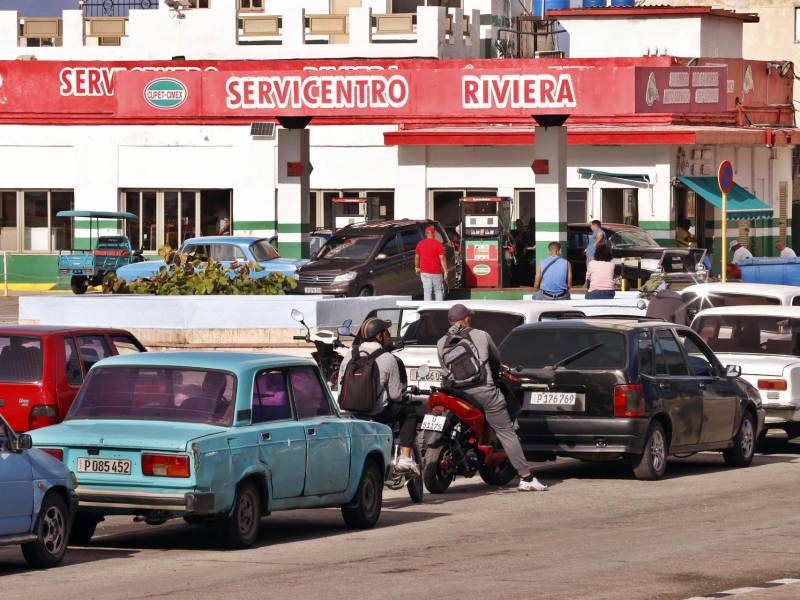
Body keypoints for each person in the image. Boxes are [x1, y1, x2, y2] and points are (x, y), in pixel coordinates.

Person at [436, 304, 548, 492]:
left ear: (449, 321)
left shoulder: (441, 342)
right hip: (484, 392)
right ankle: (526, 478)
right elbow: (496, 358)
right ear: (467, 319)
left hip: (456, 393)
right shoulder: (481, 335)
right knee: (506, 432)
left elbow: (445, 369)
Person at [338, 317, 419, 473]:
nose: (388, 335)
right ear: (379, 336)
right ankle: (405, 459)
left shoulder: (349, 355)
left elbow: (341, 386)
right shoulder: (388, 358)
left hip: (350, 412)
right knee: (409, 412)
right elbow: (395, 395)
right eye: (386, 332)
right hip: (377, 413)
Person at [415, 225, 448, 301]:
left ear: (426, 234)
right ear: (434, 234)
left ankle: (427, 307)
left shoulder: (420, 244)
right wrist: (445, 271)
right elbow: (442, 258)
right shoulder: (438, 244)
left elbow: (417, 257)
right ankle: (439, 307)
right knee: (438, 290)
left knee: (427, 292)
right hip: (436, 272)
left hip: (424, 272)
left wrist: (416, 267)